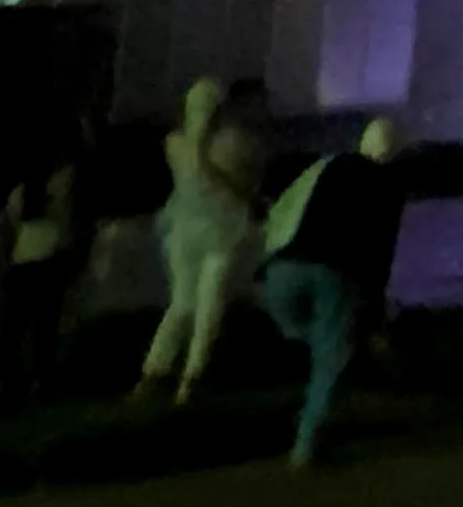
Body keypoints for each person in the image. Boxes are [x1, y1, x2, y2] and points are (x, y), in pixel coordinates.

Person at [256, 116, 406, 467]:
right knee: (331, 355)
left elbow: (282, 209)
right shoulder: (387, 185)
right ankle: (306, 443)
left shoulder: (325, 164)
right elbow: (379, 251)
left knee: (298, 333)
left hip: (283, 268)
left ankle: (310, 391)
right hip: (334, 276)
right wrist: (374, 317)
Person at [136, 77, 261, 406]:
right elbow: (244, 186)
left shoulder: (174, 143)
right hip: (222, 232)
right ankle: (189, 379)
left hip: (184, 232)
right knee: (208, 307)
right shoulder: (233, 143)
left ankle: (154, 373)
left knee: (182, 304)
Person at [0, 132, 89, 406]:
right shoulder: (64, 183)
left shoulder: (22, 191)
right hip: (52, 260)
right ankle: (43, 381)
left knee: (13, 330)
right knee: (46, 328)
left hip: (22, 262)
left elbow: (10, 225)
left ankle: (7, 383)